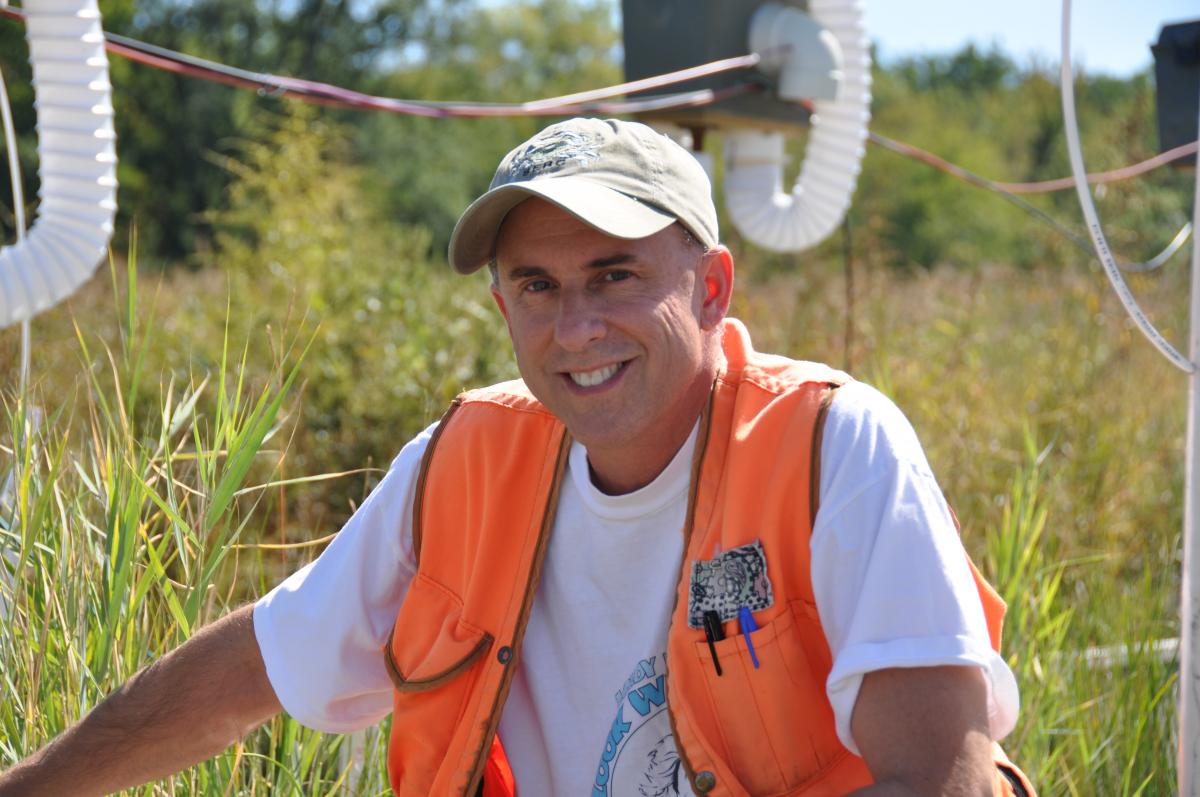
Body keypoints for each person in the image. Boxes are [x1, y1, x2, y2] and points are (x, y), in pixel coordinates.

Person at [0, 118, 1034, 797]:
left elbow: (936, 777)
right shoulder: (465, 457)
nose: (574, 326)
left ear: (712, 287)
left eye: (616, 274)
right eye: (536, 285)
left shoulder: (830, 442)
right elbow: (259, 664)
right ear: (501, 306)